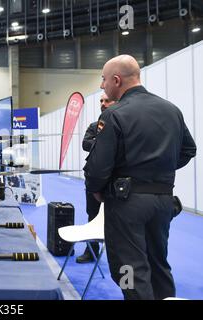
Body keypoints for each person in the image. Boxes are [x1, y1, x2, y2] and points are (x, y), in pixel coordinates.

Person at [84, 55, 196, 299]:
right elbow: (189, 150)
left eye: (104, 80)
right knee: (159, 265)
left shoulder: (113, 115)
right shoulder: (171, 110)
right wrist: (156, 171)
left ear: (116, 80)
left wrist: (96, 188)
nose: (102, 86)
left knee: (130, 270)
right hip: (164, 201)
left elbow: (98, 167)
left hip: (127, 204)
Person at [76, 93, 115, 263]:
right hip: (94, 179)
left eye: (107, 100)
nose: (103, 103)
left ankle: (119, 254)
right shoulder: (94, 126)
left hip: (116, 181)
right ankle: (91, 251)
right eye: (101, 101)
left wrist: (100, 143)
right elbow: (86, 144)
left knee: (118, 217)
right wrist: (108, 144)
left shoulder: (125, 126)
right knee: (92, 214)